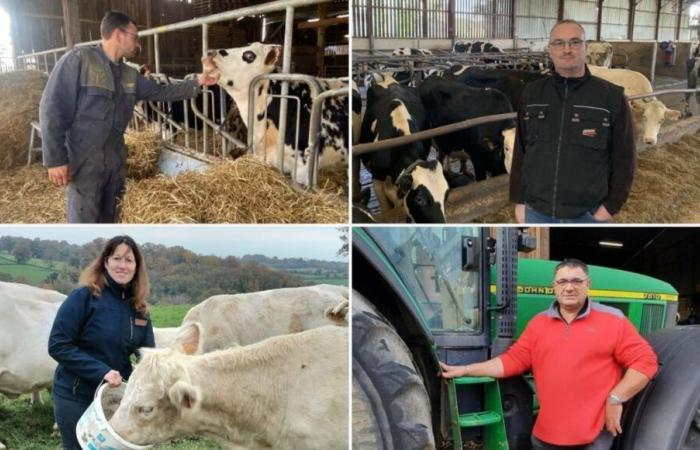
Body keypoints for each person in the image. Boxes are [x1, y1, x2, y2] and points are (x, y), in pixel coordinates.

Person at [440, 259, 658, 449]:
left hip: (593, 437)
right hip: (546, 437)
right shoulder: (539, 324)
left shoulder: (613, 320)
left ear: (588, 285)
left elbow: (646, 362)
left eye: (576, 281)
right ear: (554, 286)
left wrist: (616, 398)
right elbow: (512, 361)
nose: (569, 287)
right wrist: (466, 369)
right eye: (562, 282)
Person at [39, 11, 220, 223]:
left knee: (111, 219)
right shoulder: (79, 61)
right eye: (135, 37)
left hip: (115, 162)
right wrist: (55, 159)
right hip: (84, 162)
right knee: (83, 221)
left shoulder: (129, 75)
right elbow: (51, 108)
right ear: (118, 35)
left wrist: (198, 81)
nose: (138, 44)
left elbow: (163, 92)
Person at [509, 20, 636, 224]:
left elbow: (625, 158)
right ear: (550, 49)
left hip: (588, 214)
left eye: (575, 42)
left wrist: (610, 207)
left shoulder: (612, 97)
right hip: (535, 211)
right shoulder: (532, 93)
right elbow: (521, 150)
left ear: (586, 47)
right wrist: (519, 201)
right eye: (559, 43)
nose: (566, 49)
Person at [48, 236, 154, 450]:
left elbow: (147, 354)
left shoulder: (139, 308)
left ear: (137, 267)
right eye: (117, 258)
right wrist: (102, 371)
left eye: (129, 260)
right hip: (75, 394)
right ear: (105, 262)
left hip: (115, 397)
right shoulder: (84, 297)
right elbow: (58, 345)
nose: (122, 265)